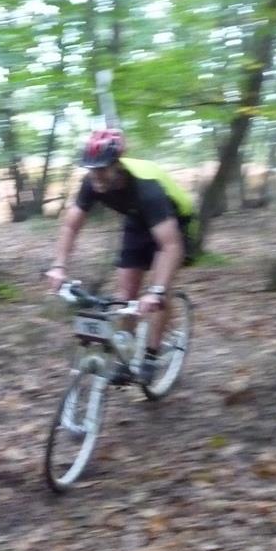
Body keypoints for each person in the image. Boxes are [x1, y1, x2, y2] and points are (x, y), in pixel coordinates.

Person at [44, 128, 198, 384]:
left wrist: (157, 291)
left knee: (160, 292)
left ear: (118, 165)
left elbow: (171, 246)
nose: (96, 175)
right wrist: (59, 266)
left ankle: (151, 355)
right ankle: (127, 352)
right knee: (125, 296)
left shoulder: (147, 188)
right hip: (137, 220)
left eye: (102, 169)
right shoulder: (91, 182)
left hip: (172, 224)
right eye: (91, 169)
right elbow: (71, 225)